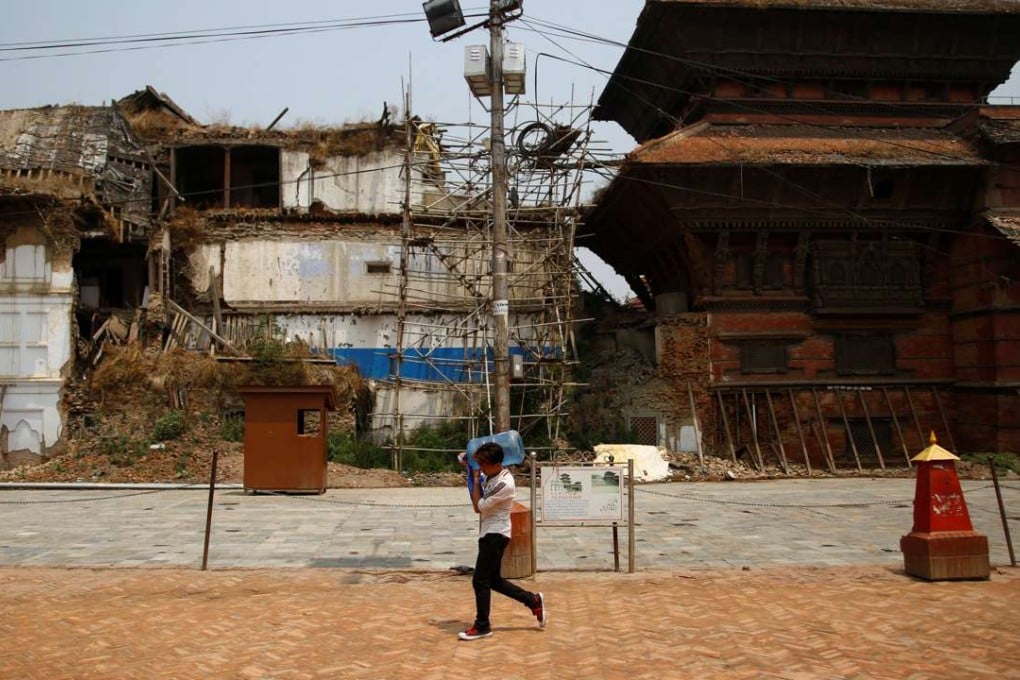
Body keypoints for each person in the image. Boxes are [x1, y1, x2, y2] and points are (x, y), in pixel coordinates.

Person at [458, 441, 547, 641]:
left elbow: (477, 506)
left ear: (496, 464)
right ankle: (532, 601)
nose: (480, 468)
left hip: (495, 535)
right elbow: (465, 460)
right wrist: (469, 460)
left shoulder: (504, 484)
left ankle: (482, 625)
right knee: (494, 581)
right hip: (490, 533)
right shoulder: (492, 474)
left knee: (479, 580)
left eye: (483, 464)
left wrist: (472, 476)